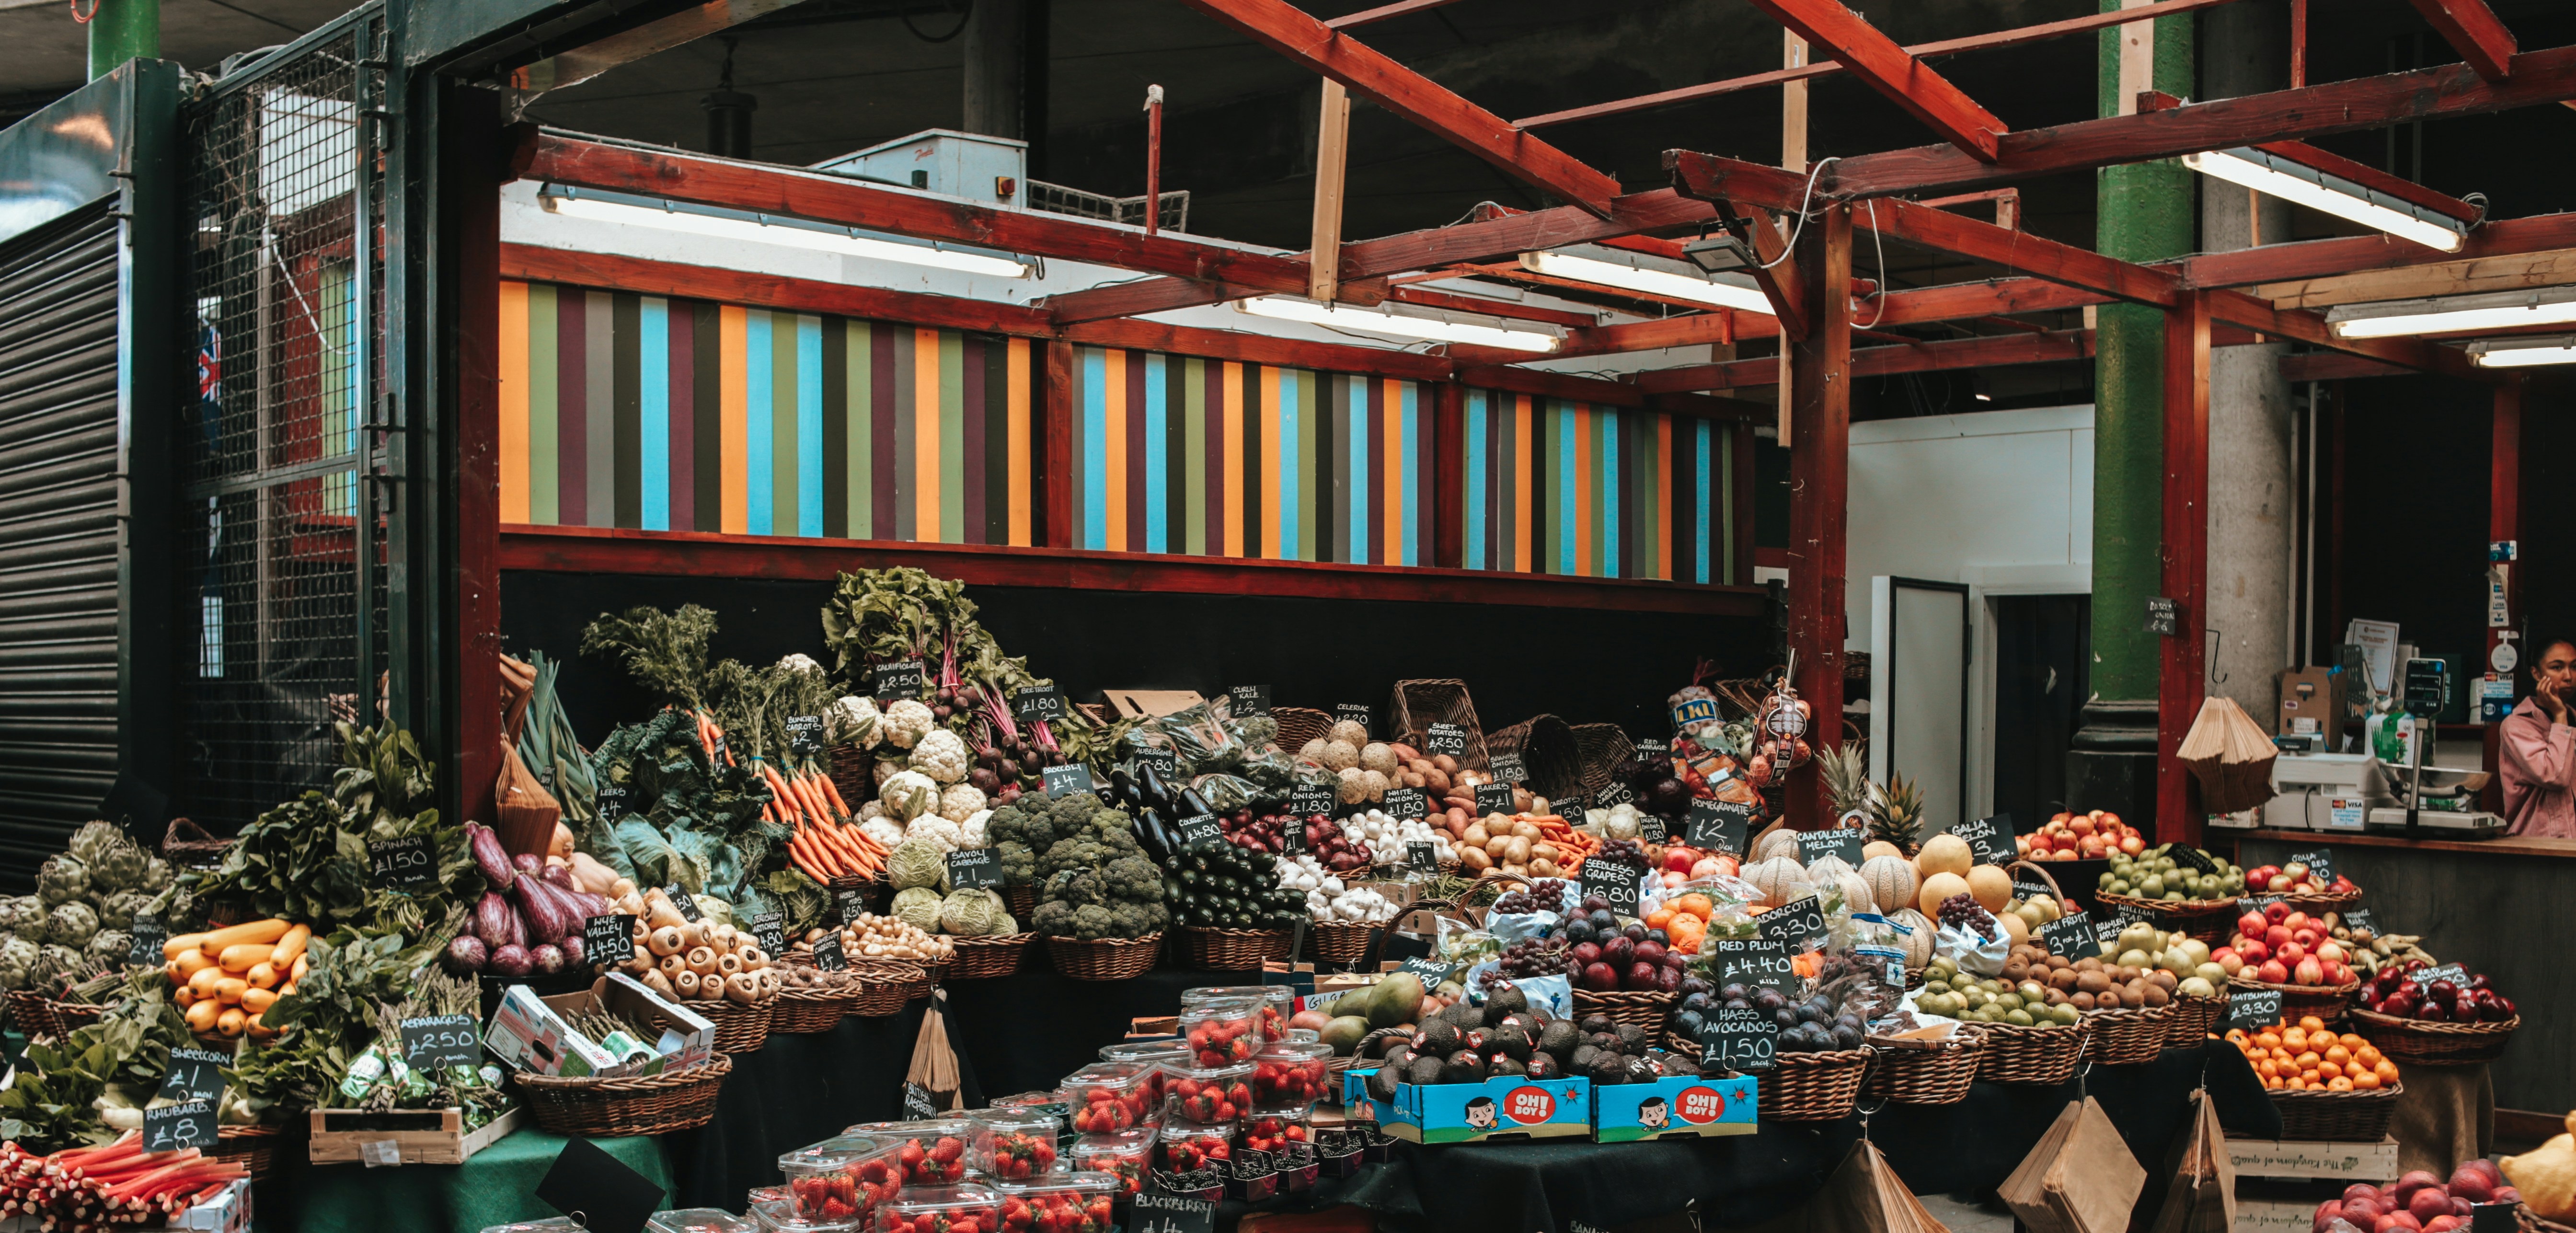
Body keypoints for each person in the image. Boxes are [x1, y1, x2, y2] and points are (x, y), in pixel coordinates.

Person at [2499, 637, 2576, 837]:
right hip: (2537, 845)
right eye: (2557, 668)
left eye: (2574, 667)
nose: (2569, 676)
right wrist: (2560, 716)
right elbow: (2554, 776)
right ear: (2536, 673)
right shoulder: (2517, 725)